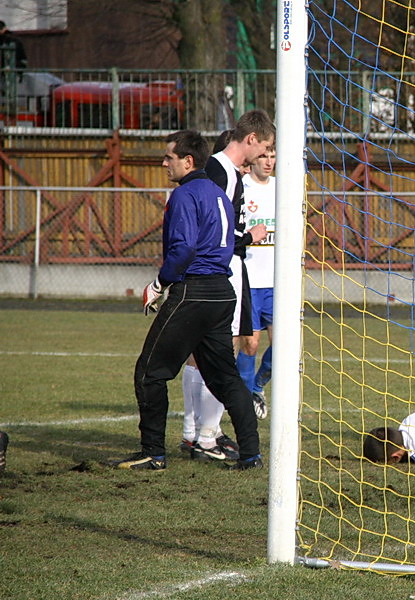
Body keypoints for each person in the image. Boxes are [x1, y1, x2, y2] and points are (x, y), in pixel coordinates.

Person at [111, 129, 262, 471]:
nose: (164, 162)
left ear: (188, 160)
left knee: (149, 372)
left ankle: (153, 453)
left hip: (193, 292)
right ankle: (251, 455)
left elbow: (184, 249)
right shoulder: (220, 194)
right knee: (225, 378)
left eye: (169, 157)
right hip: (223, 293)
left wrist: (158, 283)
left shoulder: (184, 195)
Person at [183, 112, 274, 461]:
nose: (265, 156)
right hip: (223, 273)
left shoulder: (224, 172)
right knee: (220, 353)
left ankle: (197, 434)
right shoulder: (223, 174)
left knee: (206, 352)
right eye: (264, 147)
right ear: (250, 140)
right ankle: (205, 436)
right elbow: (216, 231)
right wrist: (247, 237)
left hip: (221, 271)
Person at [236, 146, 277, 417]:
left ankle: (258, 384)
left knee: (285, 346)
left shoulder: (284, 187)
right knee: (250, 344)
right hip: (250, 280)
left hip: (278, 283)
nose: (269, 162)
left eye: (273, 156)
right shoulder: (241, 187)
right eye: (263, 156)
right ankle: (247, 401)